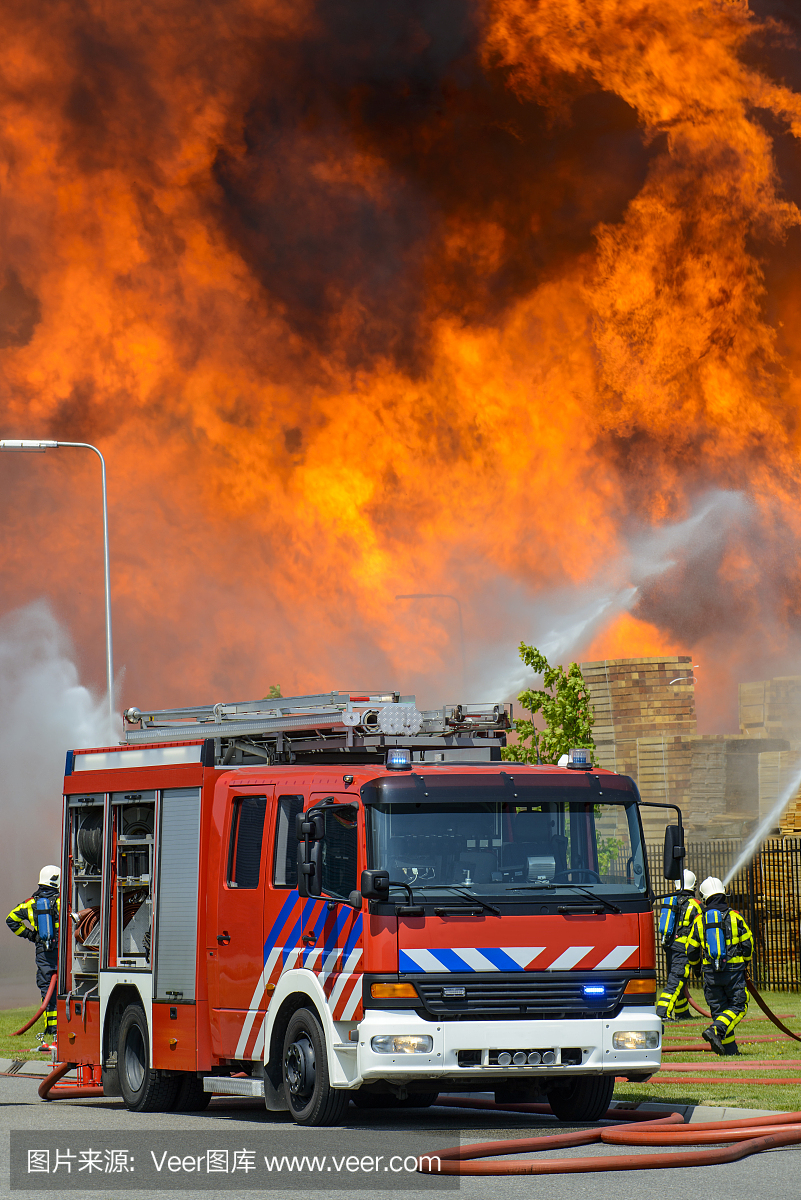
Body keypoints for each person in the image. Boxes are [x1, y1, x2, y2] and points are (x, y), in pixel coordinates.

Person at [686, 876, 753, 1056]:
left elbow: (691, 949)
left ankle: (730, 1051)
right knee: (739, 1005)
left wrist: (697, 968)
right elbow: (748, 944)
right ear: (724, 894)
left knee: (720, 1011)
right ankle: (716, 1031)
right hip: (733, 972)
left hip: (710, 974)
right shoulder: (735, 917)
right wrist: (745, 961)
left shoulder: (700, 920)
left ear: (705, 897)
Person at [6, 866, 60, 1049]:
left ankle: (52, 1030)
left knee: (47, 991)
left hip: (44, 953)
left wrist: (32, 936)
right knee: (67, 989)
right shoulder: (66, 901)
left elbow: (11, 919)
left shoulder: (30, 903)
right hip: (64, 953)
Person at [656, 869, 702, 1021]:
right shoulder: (695, 904)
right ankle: (662, 1012)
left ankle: (682, 1012)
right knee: (676, 980)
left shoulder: (672, 900)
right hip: (684, 949)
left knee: (677, 979)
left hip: (670, 946)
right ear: (693, 886)